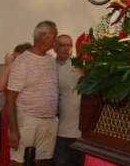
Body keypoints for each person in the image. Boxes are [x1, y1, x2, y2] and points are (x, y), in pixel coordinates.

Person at [5, 21, 59, 165]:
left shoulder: (51, 60)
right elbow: (10, 99)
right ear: (42, 36)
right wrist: (14, 131)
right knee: (18, 162)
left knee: (42, 162)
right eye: (54, 35)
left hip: (49, 121)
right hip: (27, 121)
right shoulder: (23, 61)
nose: (56, 40)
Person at [0, 42, 32, 166]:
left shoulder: (30, 71)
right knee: (8, 150)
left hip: (27, 115)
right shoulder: (11, 69)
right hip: (10, 115)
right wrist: (8, 65)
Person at [53, 34, 83, 166]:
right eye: (61, 45)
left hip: (79, 130)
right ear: (54, 47)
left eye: (68, 45)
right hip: (57, 129)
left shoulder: (79, 66)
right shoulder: (49, 66)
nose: (65, 48)